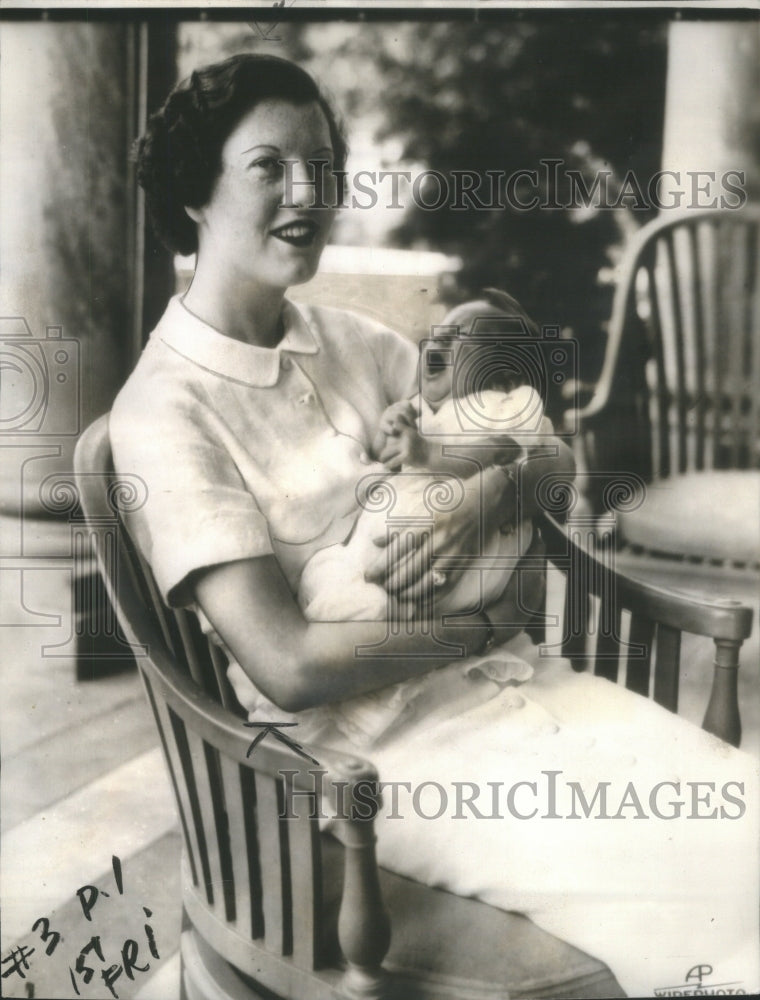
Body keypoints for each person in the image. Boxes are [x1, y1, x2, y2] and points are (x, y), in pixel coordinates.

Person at [110, 53, 759, 998]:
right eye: (270, 166)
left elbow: (551, 458)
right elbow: (287, 664)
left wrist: (492, 493)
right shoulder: (164, 414)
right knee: (694, 902)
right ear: (194, 192)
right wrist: (479, 627)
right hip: (374, 764)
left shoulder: (361, 345)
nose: (310, 192)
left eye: (325, 166)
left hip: (522, 691)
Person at [298, 290, 548, 625]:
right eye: (436, 336)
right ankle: (356, 602)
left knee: (439, 579)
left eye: (458, 338)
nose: (437, 343)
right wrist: (390, 429)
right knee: (331, 567)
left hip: (472, 541)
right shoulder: (423, 408)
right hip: (402, 531)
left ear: (505, 376)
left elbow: (500, 451)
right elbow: (385, 458)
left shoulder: (508, 403)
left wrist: (428, 452)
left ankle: (392, 610)